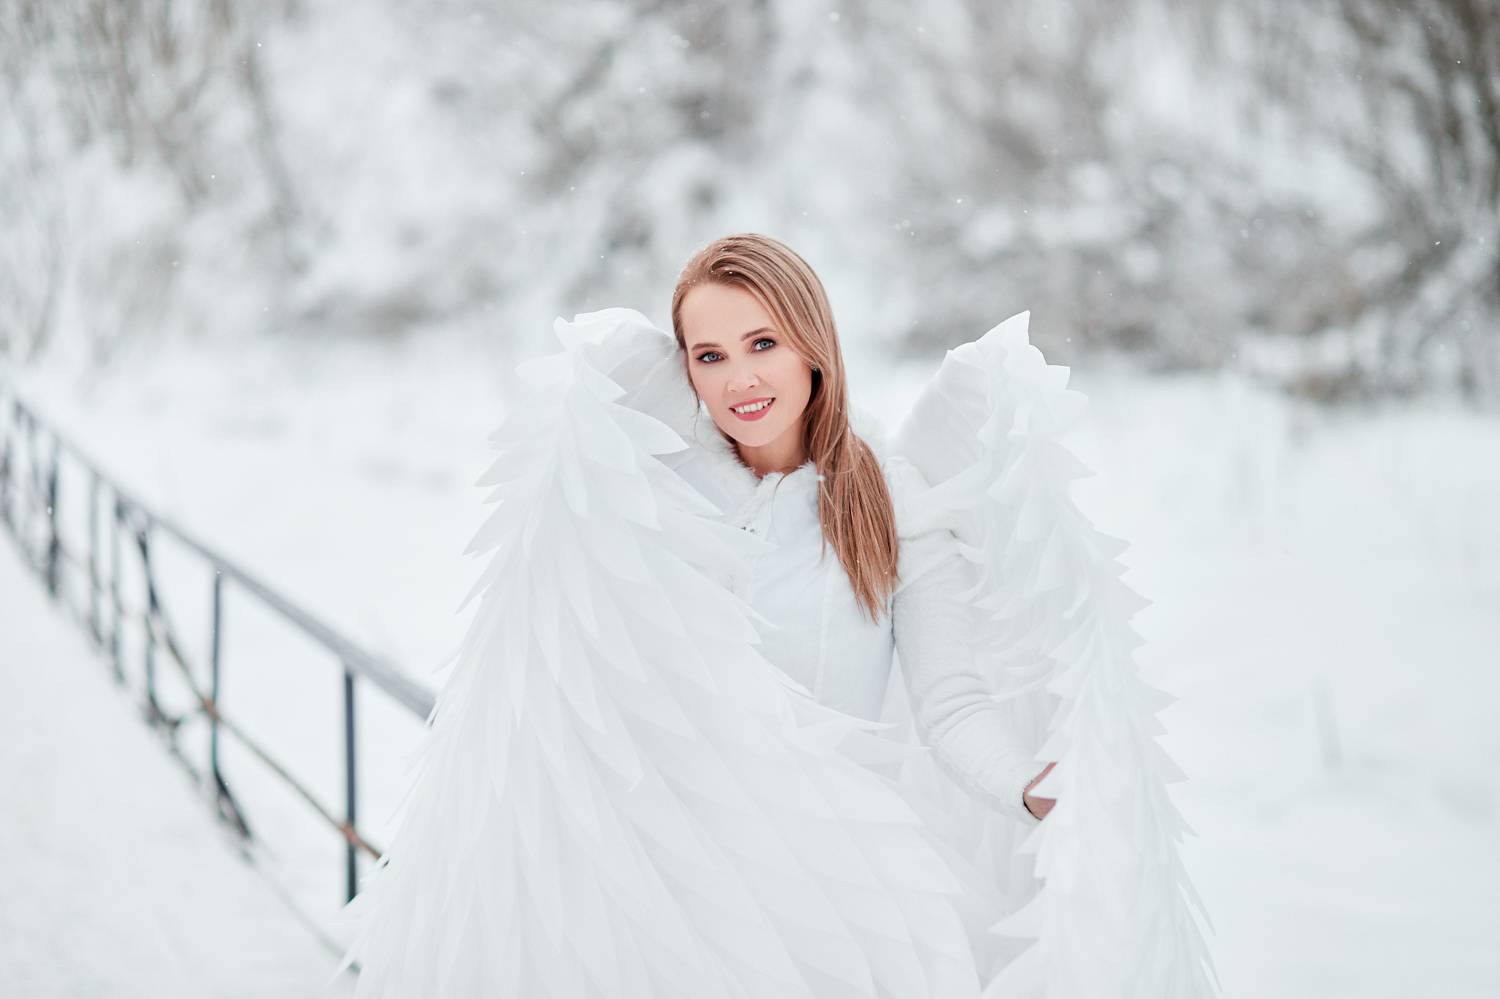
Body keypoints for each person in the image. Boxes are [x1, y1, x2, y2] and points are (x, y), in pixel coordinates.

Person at [334, 234, 1217, 998]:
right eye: (709, 355)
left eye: (763, 342)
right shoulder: (662, 491)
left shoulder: (890, 499)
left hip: (839, 888)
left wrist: (1030, 785)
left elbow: (951, 704)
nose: (740, 379)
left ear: (811, 345)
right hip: (681, 885)